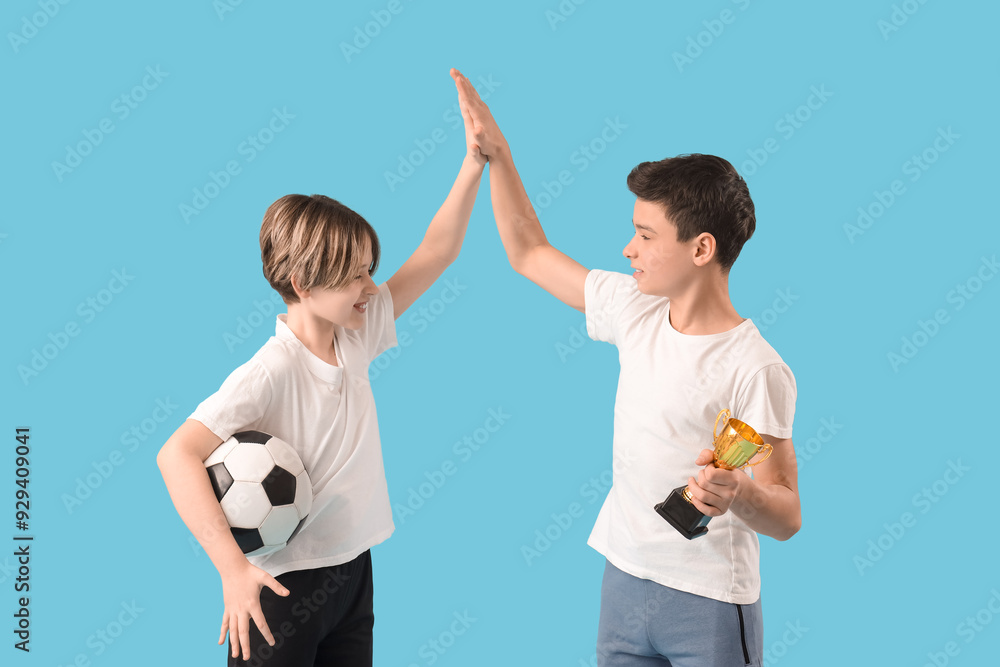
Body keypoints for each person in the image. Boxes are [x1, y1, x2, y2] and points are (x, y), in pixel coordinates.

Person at [451, 68, 800, 666]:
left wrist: (738, 491)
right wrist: (499, 157)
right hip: (624, 580)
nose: (627, 249)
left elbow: (787, 512)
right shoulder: (634, 309)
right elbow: (528, 250)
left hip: (711, 601)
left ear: (701, 249)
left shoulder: (756, 368)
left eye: (644, 234)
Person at [156, 82, 486, 666]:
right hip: (281, 589)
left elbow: (437, 251)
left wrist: (472, 163)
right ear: (304, 286)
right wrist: (232, 570)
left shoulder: (355, 332)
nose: (369, 287)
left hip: (352, 573)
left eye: (369, 270)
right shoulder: (271, 369)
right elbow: (175, 455)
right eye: (354, 276)